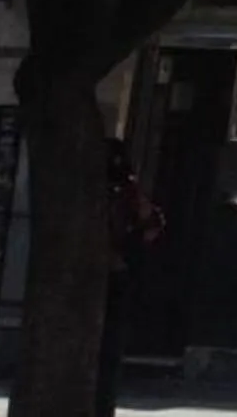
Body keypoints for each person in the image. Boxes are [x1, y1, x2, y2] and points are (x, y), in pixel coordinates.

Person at [94, 139, 165, 417]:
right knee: (107, 351)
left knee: (108, 349)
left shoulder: (126, 193)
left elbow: (151, 225)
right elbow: (151, 226)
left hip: (114, 273)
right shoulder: (121, 193)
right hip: (110, 272)